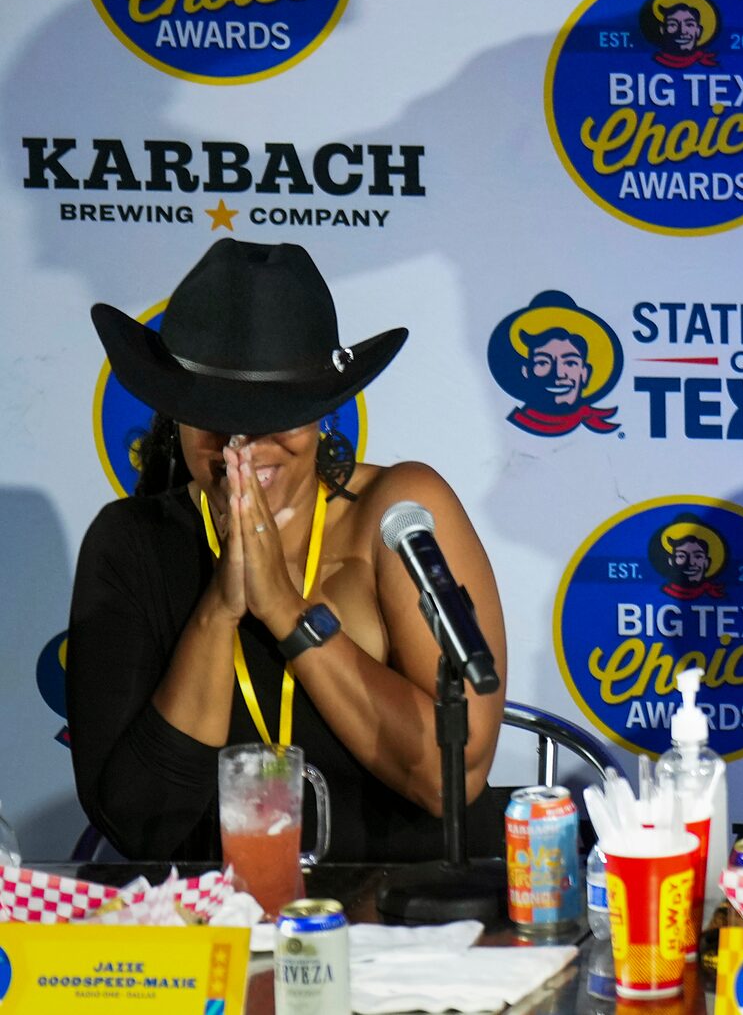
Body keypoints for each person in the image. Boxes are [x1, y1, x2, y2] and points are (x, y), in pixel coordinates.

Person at [68, 240, 510, 863]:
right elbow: (143, 824)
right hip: (222, 925)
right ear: (176, 417)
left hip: (412, 921)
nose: (243, 444)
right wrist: (220, 609)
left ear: (322, 413)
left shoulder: (394, 511)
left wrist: (284, 607)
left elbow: (451, 779)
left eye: (277, 416)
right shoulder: (132, 543)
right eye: (214, 415)